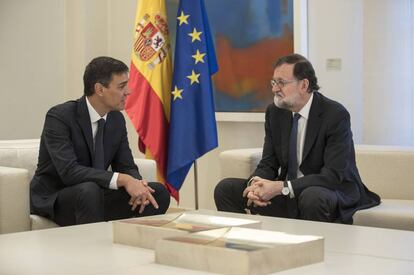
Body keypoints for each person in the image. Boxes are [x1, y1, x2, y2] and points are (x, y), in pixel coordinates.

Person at [214, 53, 380, 224]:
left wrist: (282, 187)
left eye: (281, 83)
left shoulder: (335, 114)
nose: (274, 89)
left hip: (329, 190)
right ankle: (250, 247)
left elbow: (332, 175)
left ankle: (314, 250)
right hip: (289, 190)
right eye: (273, 82)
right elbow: (268, 163)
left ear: (304, 85)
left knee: (312, 196)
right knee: (225, 189)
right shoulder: (275, 113)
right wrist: (255, 185)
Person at [30, 56, 170, 226]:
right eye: (121, 86)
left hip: (96, 194)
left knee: (158, 192)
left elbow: (126, 165)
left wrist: (137, 184)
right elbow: (69, 172)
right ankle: (92, 251)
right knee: (89, 191)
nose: (128, 91)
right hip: (58, 196)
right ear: (100, 89)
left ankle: (131, 244)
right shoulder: (60, 117)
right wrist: (124, 180)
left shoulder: (116, 120)